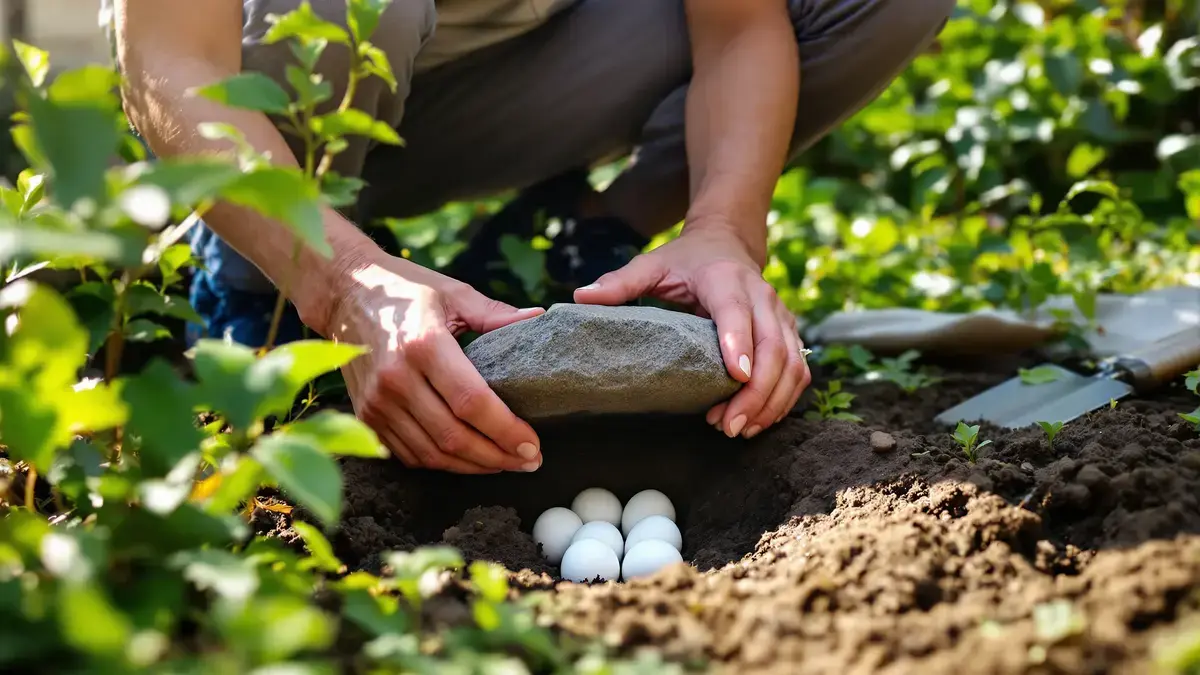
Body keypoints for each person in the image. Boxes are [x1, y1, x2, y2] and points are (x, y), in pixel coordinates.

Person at [112, 0, 955, 475]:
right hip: (284, 94)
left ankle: (581, 248)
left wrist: (723, 227)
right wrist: (342, 278)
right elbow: (169, 60)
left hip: (518, 81)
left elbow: (737, 25)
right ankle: (261, 288)